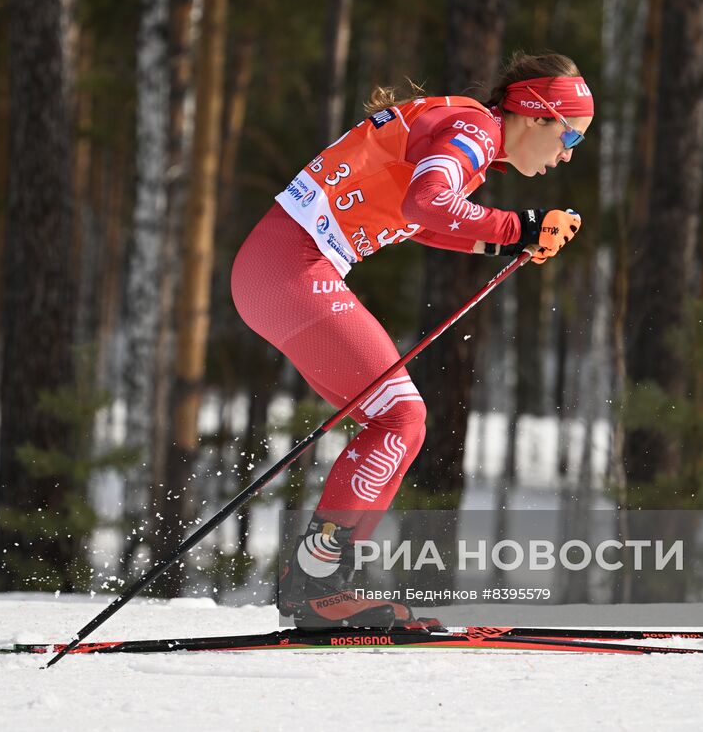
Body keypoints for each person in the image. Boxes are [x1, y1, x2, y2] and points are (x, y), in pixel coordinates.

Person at [229, 51, 593, 629]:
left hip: (277, 269)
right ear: (534, 114)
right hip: (291, 268)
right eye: (569, 133)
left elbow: (417, 216)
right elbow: (431, 202)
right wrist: (519, 226)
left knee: (395, 419)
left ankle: (322, 583)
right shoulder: (475, 128)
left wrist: (507, 241)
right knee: (400, 416)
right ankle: (317, 590)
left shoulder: (469, 132)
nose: (567, 153)